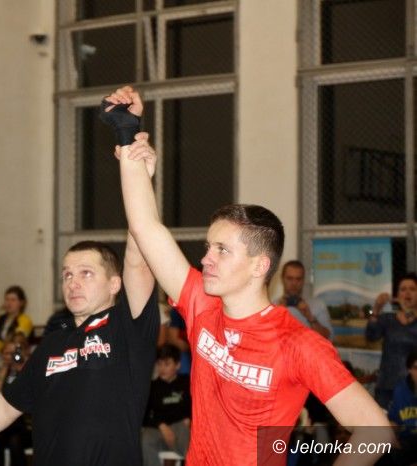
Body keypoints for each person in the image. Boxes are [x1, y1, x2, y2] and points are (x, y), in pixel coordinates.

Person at [106, 85, 392, 465]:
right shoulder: (202, 303)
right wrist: (127, 133)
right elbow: (146, 228)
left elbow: (376, 431)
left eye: (222, 250)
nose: (206, 259)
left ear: (260, 266)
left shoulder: (296, 344)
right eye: (208, 247)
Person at [0, 239, 159, 466]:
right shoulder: (52, 343)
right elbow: (4, 407)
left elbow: (139, 257)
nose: (73, 283)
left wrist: (136, 217)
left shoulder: (127, 328)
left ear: (114, 284)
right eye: (67, 275)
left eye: (86, 273)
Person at [366, 273, 417, 409]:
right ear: (397, 295)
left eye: (412, 289)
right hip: (386, 385)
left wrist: (407, 311)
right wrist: (376, 308)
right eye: (403, 289)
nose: (407, 293)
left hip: (413, 386)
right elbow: (371, 336)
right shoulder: (388, 319)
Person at [141, 344, 191, 466]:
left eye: (167, 364)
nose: (162, 368)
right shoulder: (152, 386)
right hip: (159, 430)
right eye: (160, 364)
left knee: (185, 433)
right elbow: (144, 415)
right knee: (145, 438)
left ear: (177, 365)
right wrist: (161, 426)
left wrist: (189, 418)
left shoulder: (186, 382)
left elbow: (196, 405)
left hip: (181, 428)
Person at [0, 337, 32, 466]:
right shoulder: (1, 371)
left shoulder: (28, 368)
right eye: (7, 353)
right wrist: (5, 367)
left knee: (14, 440)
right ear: (2, 354)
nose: (11, 356)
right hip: (4, 424)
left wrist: (21, 366)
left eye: (14, 352)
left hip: (24, 424)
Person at [276, 260, 333, 340]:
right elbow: (265, 340)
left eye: (298, 279)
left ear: (303, 280)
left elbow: (328, 338)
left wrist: (310, 317)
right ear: (282, 279)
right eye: (289, 278)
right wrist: (277, 316)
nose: (294, 283)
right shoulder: (272, 306)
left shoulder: (318, 305)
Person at [0, 286, 33, 358]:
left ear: (21, 303)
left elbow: (14, 341)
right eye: (7, 299)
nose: (9, 303)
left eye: (13, 300)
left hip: (14, 357)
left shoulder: (25, 320)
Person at [385, 349, 417, 465]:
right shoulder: (400, 390)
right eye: (416, 368)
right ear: (409, 369)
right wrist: (391, 437)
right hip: (406, 441)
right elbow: (394, 421)